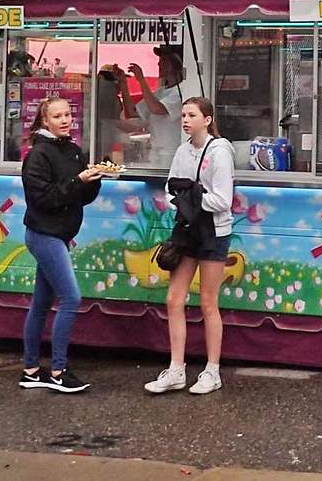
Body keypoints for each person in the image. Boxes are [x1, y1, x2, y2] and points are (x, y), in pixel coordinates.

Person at [145, 97, 234, 396]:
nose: (184, 120)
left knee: (208, 301)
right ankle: (176, 368)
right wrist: (187, 199)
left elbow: (223, 199)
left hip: (213, 232)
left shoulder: (220, 152)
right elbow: (172, 185)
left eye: (191, 115)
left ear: (207, 119)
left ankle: (212, 370)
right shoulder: (183, 151)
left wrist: (191, 199)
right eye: (183, 115)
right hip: (186, 231)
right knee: (174, 299)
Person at [18, 97, 105, 393]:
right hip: (43, 234)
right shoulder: (38, 155)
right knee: (71, 298)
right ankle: (58, 371)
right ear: (45, 122)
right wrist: (78, 181)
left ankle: (31, 370)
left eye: (68, 114)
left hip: (59, 234)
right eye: (58, 116)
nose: (65, 120)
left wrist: (93, 180)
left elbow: (80, 197)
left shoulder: (73, 150)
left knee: (41, 302)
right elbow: (44, 199)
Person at [128, 45, 194, 166]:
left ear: (175, 64)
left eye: (164, 62)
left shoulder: (182, 91)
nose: (159, 65)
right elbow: (132, 112)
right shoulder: (161, 91)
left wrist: (141, 80)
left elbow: (156, 108)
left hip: (170, 151)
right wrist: (122, 83)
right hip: (154, 150)